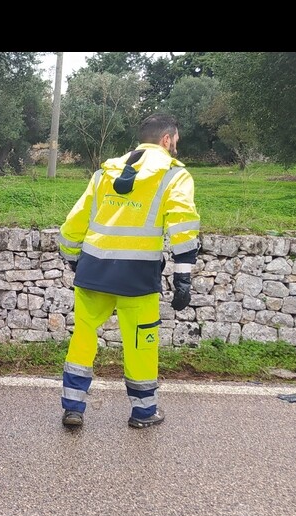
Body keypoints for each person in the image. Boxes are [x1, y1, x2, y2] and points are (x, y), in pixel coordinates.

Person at [56, 113, 201, 429]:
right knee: (141, 345)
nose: (176, 145)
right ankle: (144, 413)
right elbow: (183, 226)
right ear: (167, 139)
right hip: (138, 279)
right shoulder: (174, 176)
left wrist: (73, 260)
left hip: (93, 271)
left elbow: (73, 224)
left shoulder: (105, 173)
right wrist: (183, 276)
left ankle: (73, 408)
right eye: (175, 140)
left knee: (83, 337)